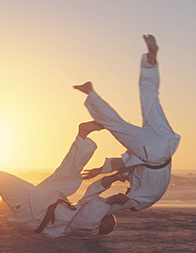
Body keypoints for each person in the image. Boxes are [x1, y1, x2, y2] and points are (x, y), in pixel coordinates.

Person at [0, 121, 129, 238]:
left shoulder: (88, 229)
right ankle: (82, 136)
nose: (105, 215)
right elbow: (92, 192)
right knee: (69, 181)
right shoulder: (86, 214)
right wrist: (113, 176)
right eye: (108, 215)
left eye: (106, 219)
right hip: (48, 201)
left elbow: (89, 218)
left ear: (102, 227)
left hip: (35, 214)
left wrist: (111, 201)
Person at [74, 35, 180, 214]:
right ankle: (90, 93)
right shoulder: (139, 202)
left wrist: (98, 171)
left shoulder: (134, 178)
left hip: (166, 142)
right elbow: (115, 204)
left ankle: (150, 60)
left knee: (149, 97)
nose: (126, 190)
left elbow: (122, 163)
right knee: (116, 125)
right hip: (153, 153)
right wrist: (116, 202)